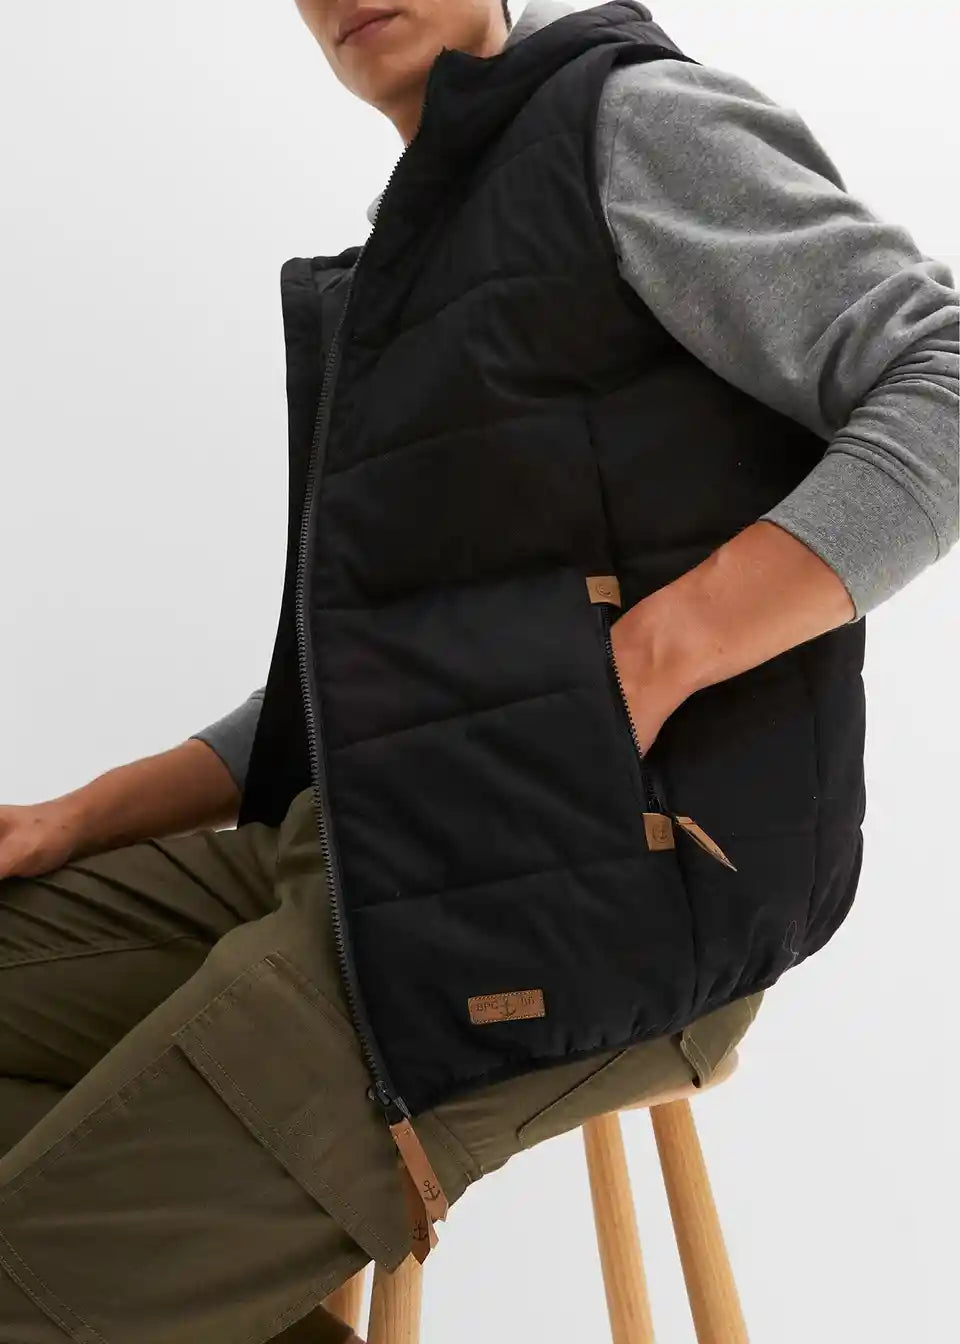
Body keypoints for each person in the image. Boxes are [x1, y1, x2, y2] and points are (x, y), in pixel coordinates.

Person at [0, 1, 956, 1341]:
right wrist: (79, 817)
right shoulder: (428, 238)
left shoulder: (628, 125)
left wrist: (651, 660)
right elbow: (380, 679)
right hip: (367, 845)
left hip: (590, 890)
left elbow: (942, 384)